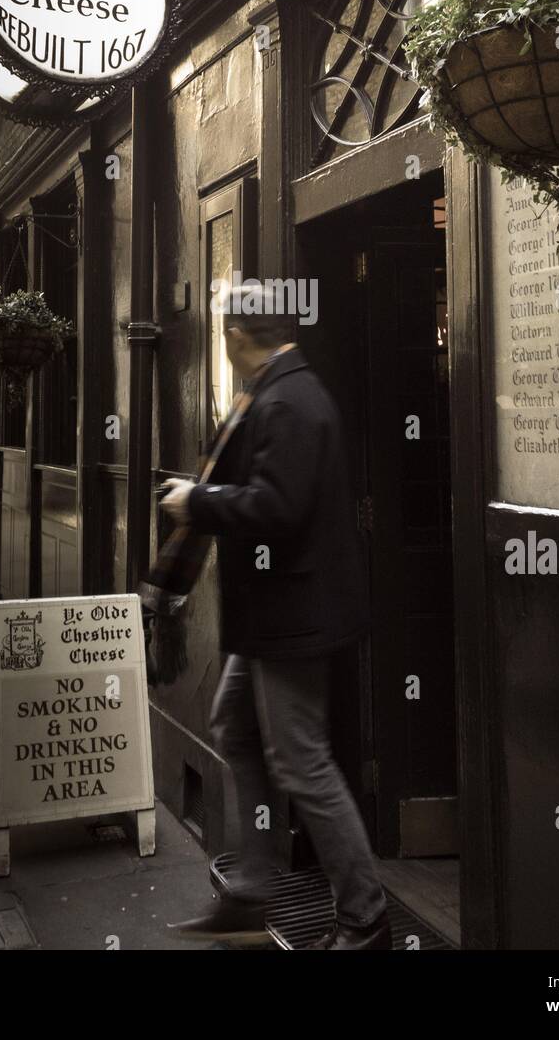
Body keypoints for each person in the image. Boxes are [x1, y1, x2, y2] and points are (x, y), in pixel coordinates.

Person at [157, 282, 391, 950]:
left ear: (235, 337)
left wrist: (197, 501)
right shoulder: (282, 389)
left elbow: (277, 508)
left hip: (292, 617)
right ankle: (254, 889)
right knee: (232, 725)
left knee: (301, 763)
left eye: (224, 335)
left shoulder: (287, 399)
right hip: (274, 616)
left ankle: (365, 917)